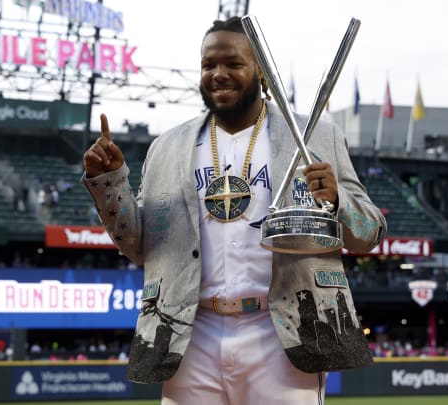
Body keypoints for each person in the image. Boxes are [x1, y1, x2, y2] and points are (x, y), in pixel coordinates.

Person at [82, 16, 386, 405]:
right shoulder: (167, 147)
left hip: (280, 333)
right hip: (192, 335)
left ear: (261, 71)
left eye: (233, 64)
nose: (218, 74)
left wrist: (338, 200)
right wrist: (110, 183)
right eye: (209, 65)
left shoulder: (316, 135)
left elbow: (371, 231)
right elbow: (141, 247)